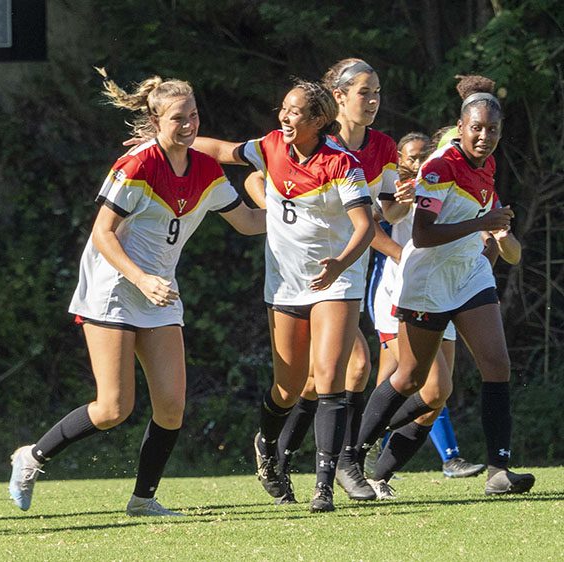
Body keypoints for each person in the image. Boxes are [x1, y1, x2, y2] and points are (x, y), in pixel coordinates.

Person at [7, 70, 265, 517]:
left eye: (194, 115)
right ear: (156, 121)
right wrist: (142, 278)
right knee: (113, 408)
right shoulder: (137, 165)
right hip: (113, 287)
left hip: (160, 293)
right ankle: (31, 458)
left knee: (171, 407)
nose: (189, 125)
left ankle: (142, 499)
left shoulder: (205, 168)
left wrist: (301, 208)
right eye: (178, 119)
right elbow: (103, 234)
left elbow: (245, 222)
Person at [193, 77, 375, 512]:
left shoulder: (342, 163)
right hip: (286, 284)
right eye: (283, 108)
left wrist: (338, 265)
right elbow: (220, 150)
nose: (285, 116)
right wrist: (167, 138)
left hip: (337, 282)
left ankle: (324, 486)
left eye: (295, 111)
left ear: (318, 120)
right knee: (288, 387)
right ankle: (267, 445)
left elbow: (366, 227)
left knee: (329, 378)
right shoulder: (271, 145)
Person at [348, 86, 536, 497]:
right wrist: (481, 224)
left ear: (500, 132)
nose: (483, 136)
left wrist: (489, 243)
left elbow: (492, 234)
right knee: (412, 378)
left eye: (491, 129)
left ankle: (498, 470)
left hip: (467, 276)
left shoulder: (486, 165)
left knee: (497, 365)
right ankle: (349, 455)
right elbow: (423, 233)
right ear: (461, 128)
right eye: (476, 128)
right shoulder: (439, 167)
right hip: (428, 280)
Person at [267, 59, 416, 502]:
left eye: (377, 92)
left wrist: (401, 205)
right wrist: (276, 213)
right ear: (338, 97)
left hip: (350, 274)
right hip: (305, 277)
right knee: (333, 373)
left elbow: (382, 214)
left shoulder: (385, 146)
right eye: (364, 92)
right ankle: (326, 461)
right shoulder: (313, 139)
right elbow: (261, 177)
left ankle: (310, 460)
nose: (372, 101)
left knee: (335, 374)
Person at [365, 130, 485, 488]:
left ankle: (375, 463)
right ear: (399, 158)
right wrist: (403, 254)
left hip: (441, 291)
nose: (417, 163)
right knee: (404, 378)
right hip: (399, 293)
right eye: (411, 157)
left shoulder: (444, 182)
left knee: (435, 393)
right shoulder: (396, 185)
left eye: (424, 156)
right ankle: (360, 447)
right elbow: (382, 218)